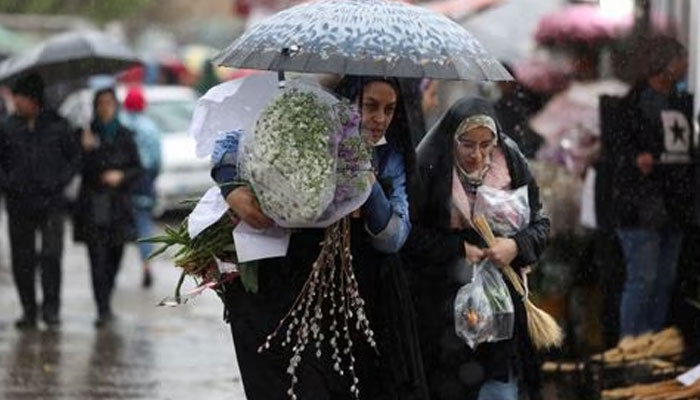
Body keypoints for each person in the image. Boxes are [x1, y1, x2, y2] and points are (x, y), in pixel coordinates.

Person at [210, 76, 428, 399]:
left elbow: (393, 238)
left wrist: (368, 189)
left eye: (389, 109)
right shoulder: (312, 130)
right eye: (370, 106)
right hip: (291, 286)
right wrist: (233, 189)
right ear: (350, 101)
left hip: (357, 303)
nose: (379, 119)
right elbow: (232, 143)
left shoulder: (390, 158)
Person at [404, 97, 550, 400]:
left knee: (500, 384)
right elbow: (411, 237)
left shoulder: (510, 161)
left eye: (486, 144)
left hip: (502, 305)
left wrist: (514, 245)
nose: (478, 154)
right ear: (451, 139)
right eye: (467, 144)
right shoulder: (429, 166)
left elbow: (540, 224)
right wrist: (458, 247)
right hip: (445, 308)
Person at [605, 37, 693, 343]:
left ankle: (654, 345)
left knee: (663, 282)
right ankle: (631, 345)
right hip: (641, 207)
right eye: (681, 58)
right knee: (643, 279)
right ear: (666, 64)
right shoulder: (633, 105)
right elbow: (616, 151)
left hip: (674, 204)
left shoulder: (681, 102)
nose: (686, 65)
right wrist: (633, 160)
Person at [0, 73, 80, 329]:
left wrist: (59, 182)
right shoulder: (8, 126)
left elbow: (74, 158)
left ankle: (51, 310)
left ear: (33, 99)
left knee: (51, 256)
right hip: (19, 204)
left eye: (19, 97)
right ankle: (28, 310)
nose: (15, 103)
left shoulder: (58, 125)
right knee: (22, 260)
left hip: (51, 204)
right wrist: (9, 183)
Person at [74, 87, 143, 327]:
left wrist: (121, 176)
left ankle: (107, 298)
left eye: (109, 103)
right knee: (97, 258)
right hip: (93, 206)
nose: (105, 107)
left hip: (118, 207)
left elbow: (138, 168)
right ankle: (101, 308)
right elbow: (77, 168)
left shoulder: (124, 135)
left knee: (114, 256)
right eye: (101, 103)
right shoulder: (86, 134)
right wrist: (85, 149)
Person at [120, 86, 162, 288]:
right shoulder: (150, 127)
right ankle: (146, 266)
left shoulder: (119, 123)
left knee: (118, 223)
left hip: (122, 180)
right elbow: (156, 160)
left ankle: (114, 270)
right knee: (144, 224)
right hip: (143, 179)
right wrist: (151, 179)